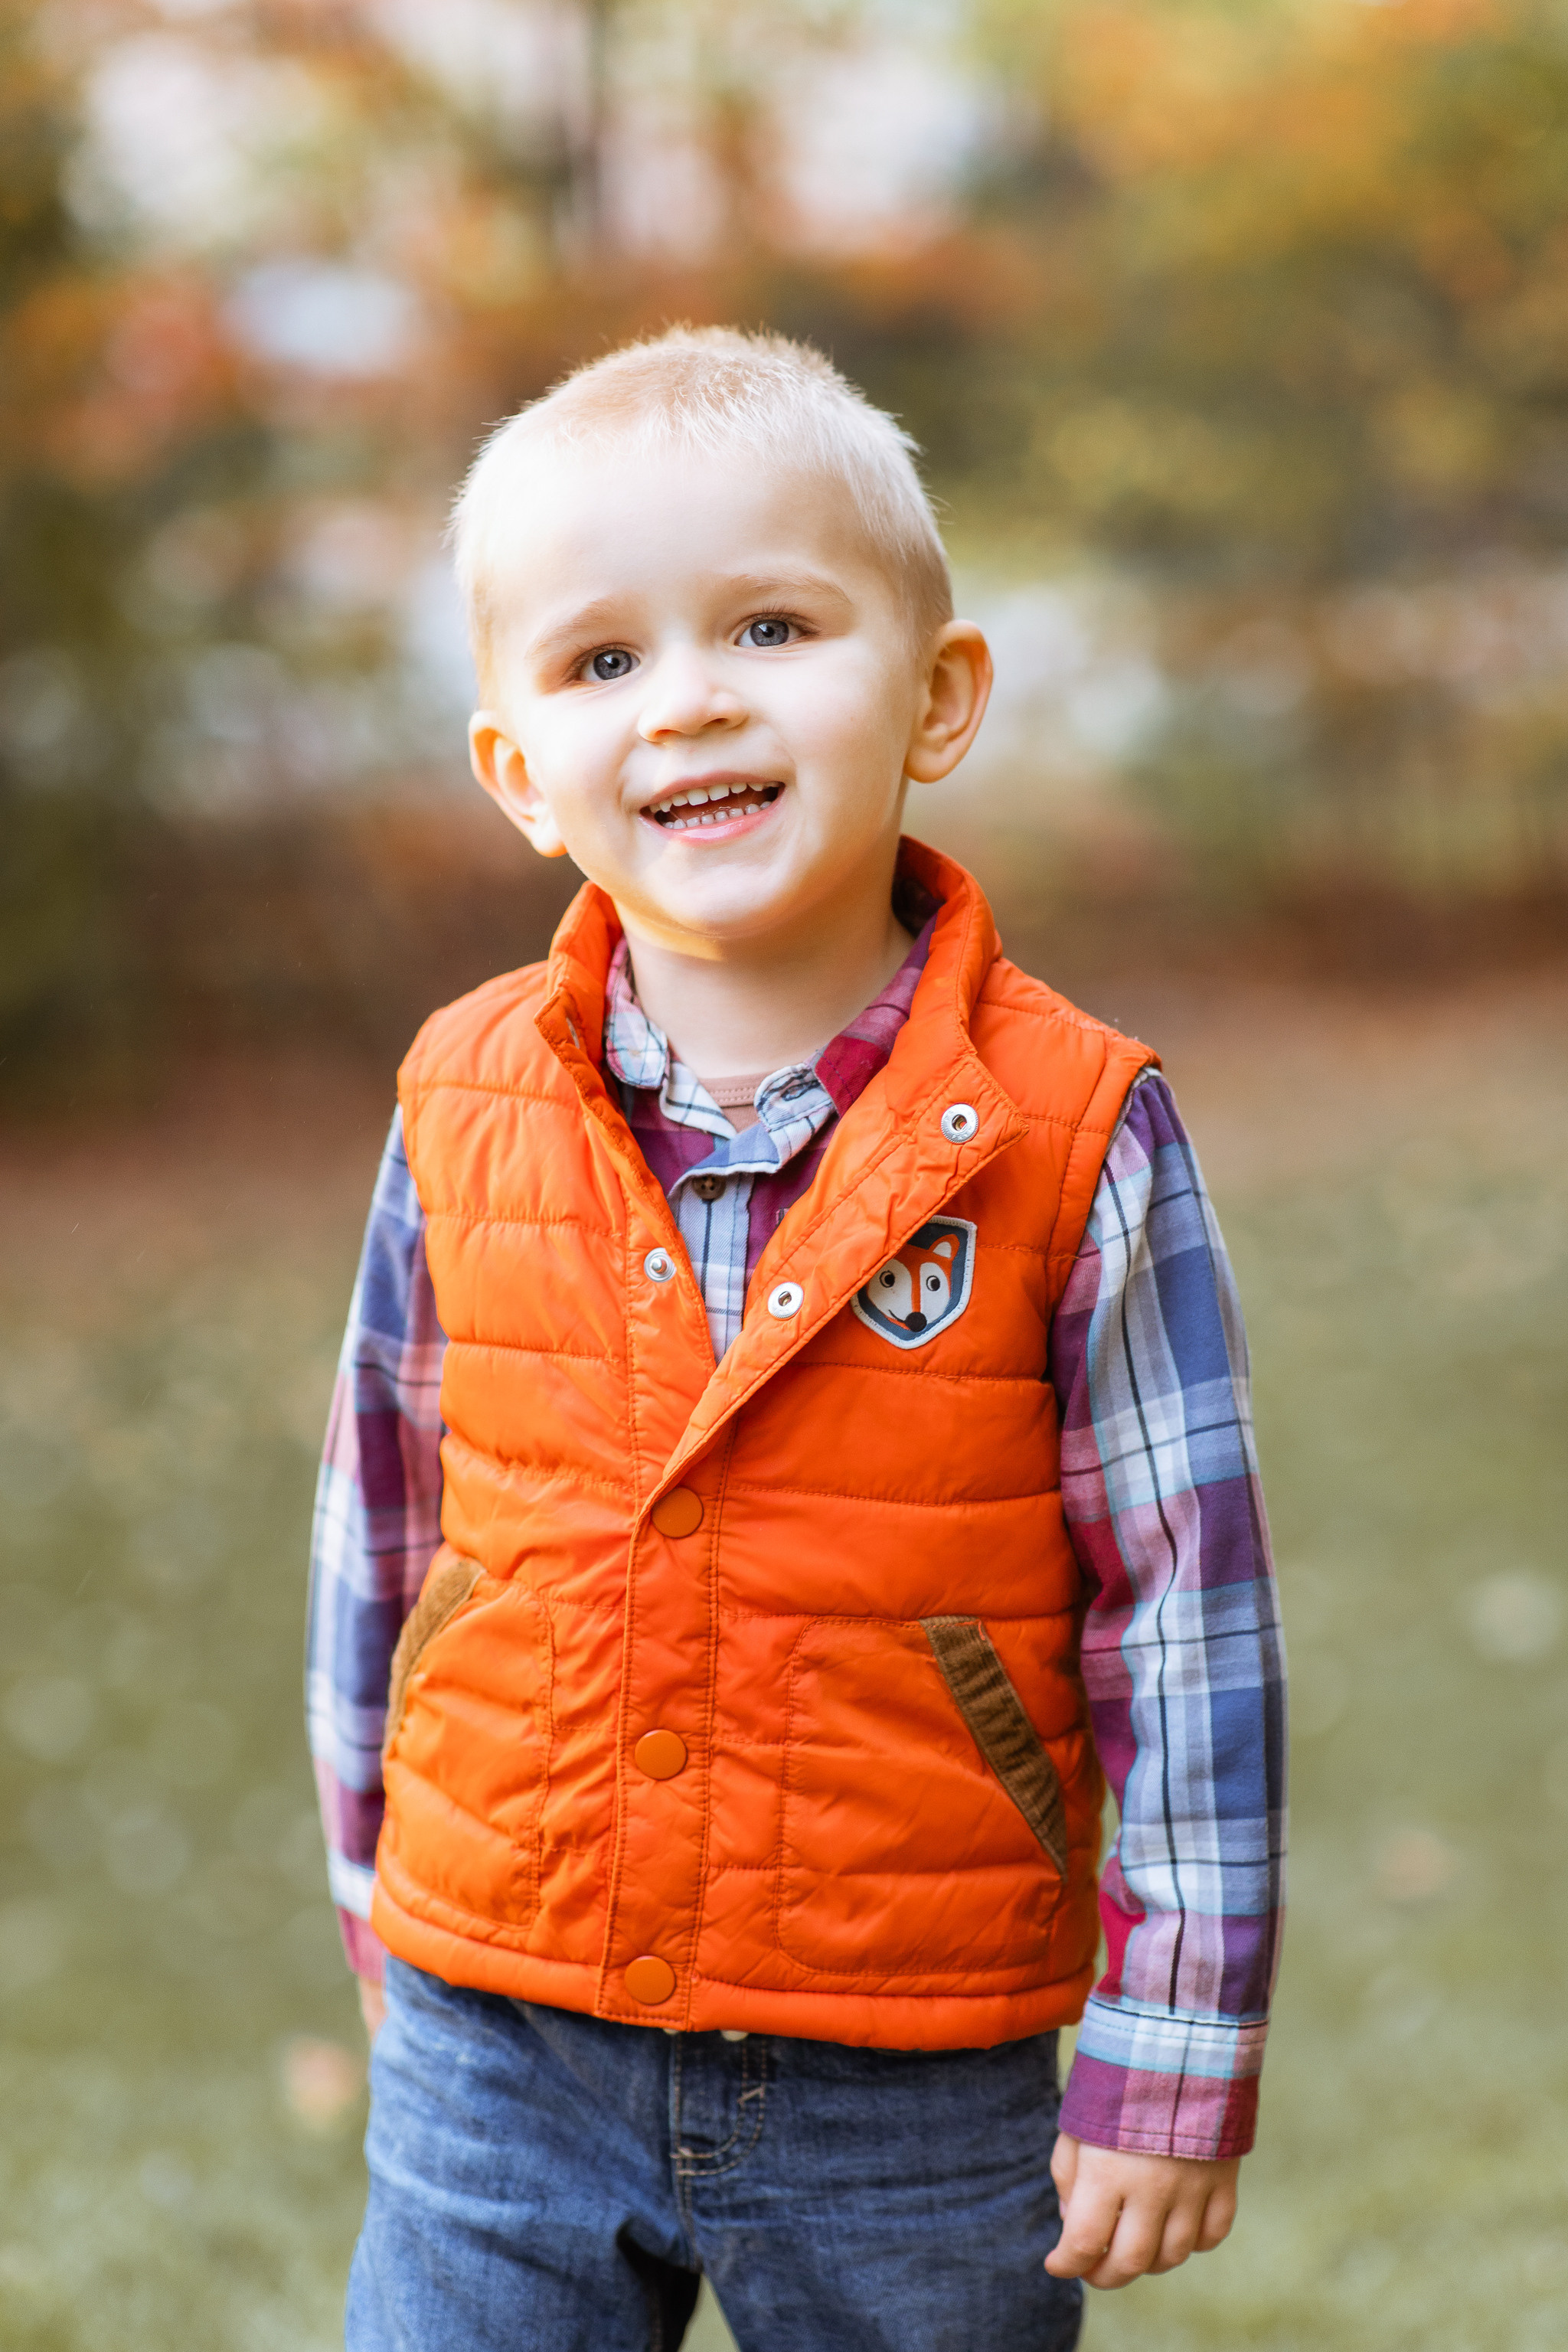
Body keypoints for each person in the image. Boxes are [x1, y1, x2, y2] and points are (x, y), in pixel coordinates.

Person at [306, 327, 1286, 2352]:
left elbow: (1186, 1608)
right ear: (516, 772)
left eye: (769, 623)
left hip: (911, 2064)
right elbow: (385, 1517)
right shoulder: (463, 1091)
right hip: (503, 2034)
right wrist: (381, 1881)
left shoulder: (1069, 1127)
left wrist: (1174, 2039)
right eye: (601, 664)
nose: (690, 701)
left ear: (934, 699)